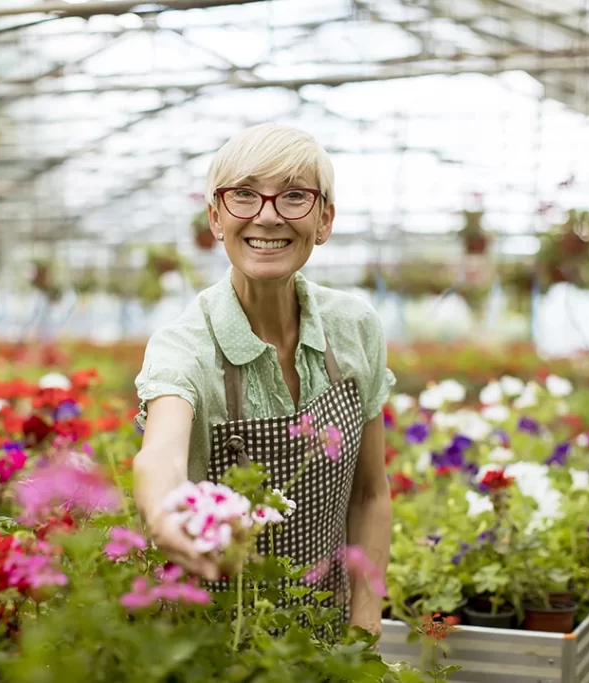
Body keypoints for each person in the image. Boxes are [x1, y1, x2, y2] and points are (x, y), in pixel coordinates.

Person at [132, 123, 394, 636]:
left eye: (294, 195)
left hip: (328, 635)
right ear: (216, 217)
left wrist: (365, 625)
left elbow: (370, 495)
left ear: (324, 220)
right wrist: (166, 519)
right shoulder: (184, 344)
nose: (268, 215)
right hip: (217, 645)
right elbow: (159, 454)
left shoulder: (355, 328)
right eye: (244, 195)